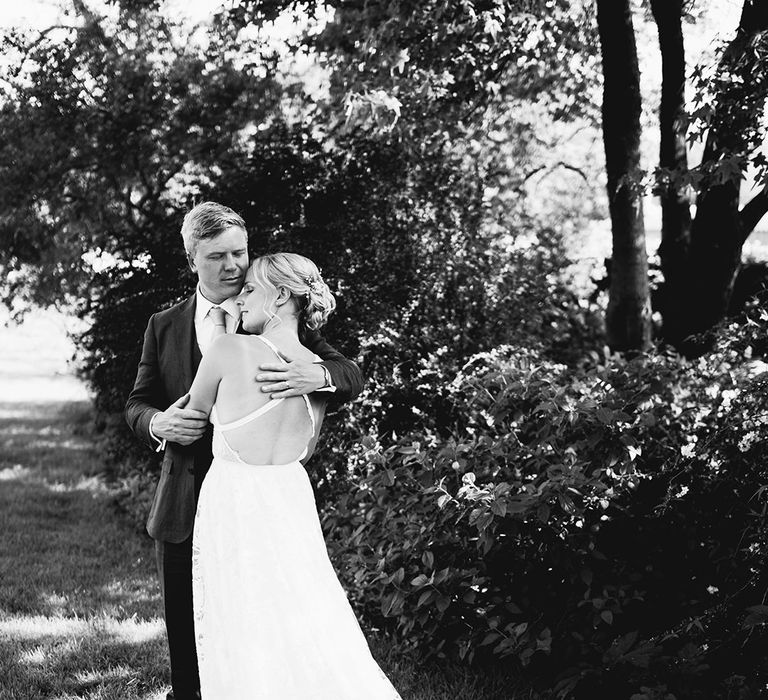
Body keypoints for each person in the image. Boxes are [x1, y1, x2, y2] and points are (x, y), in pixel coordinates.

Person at [125, 203, 363, 700]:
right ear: (193, 259)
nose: (233, 265)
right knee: (189, 628)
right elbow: (137, 403)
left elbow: (347, 373)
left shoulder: (275, 305)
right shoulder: (164, 325)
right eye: (218, 256)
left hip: (260, 502)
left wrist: (316, 374)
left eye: (240, 252)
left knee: (267, 625)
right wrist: (157, 423)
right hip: (186, 499)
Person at [186, 252, 401, 699]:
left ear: (280, 294)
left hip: (234, 496)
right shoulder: (314, 376)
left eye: (249, 290)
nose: (238, 299)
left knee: (239, 617)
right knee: (300, 606)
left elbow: (191, 416)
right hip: (288, 495)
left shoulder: (227, 349)